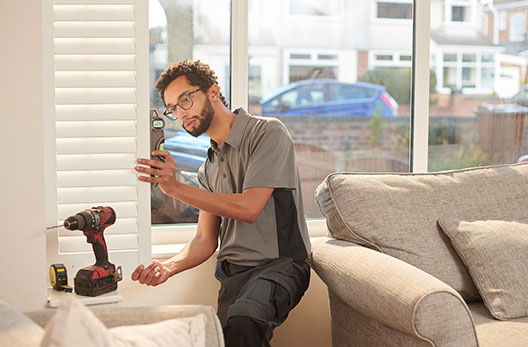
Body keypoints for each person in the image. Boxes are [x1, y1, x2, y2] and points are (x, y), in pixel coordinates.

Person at [133, 59, 311, 347]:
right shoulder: (208, 168)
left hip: (280, 266)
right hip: (233, 276)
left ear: (213, 92)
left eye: (185, 100)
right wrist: (168, 267)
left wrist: (175, 188)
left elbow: (249, 209)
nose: (180, 113)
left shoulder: (267, 133)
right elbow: (205, 239)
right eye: (173, 108)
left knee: (245, 321)